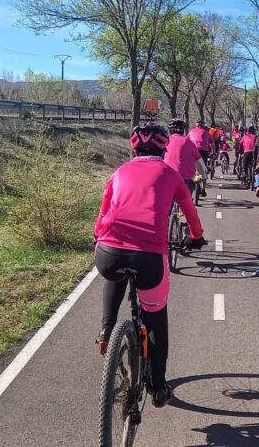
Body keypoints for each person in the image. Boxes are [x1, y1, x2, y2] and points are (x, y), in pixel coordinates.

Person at [93, 122, 206, 408]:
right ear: (164, 148)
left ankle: (106, 331)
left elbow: (104, 209)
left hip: (108, 253)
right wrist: (197, 237)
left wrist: (98, 237)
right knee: (156, 320)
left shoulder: (119, 171)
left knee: (115, 271)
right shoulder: (169, 173)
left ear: (133, 147)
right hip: (150, 258)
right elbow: (189, 209)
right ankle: (158, 387)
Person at [164, 118, 206, 197]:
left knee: (165, 204)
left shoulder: (165, 142)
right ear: (183, 131)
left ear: (169, 131)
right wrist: (203, 176)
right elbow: (200, 164)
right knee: (186, 204)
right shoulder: (189, 143)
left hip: (168, 178)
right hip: (186, 179)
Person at [188, 120, 211, 197]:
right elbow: (213, 143)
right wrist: (213, 152)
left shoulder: (191, 131)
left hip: (192, 151)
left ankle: (193, 180)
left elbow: (186, 141)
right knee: (203, 170)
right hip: (204, 152)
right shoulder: (206, 132)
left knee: (192, 168)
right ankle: (203, 189)